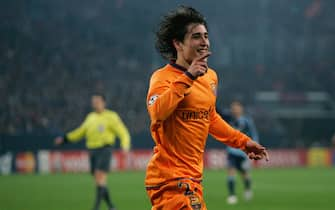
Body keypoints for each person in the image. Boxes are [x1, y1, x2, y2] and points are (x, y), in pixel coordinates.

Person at [145, 6, 269, 210]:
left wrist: (243, 142)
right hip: (171, 180)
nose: (204, 42)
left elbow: (210, 118)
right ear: (178, 44)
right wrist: (188, 77)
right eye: (196, 37)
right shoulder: (162, 78)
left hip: (193, 179)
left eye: (205, 35)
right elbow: (157, 113)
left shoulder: (210, 77)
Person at [54, 93, 131, 210]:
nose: (95, 103)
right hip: (92, 151)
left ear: (104, 102)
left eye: (98, 101)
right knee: (99, 182)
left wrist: (125, 146)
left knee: (100, 177)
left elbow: (123, 132)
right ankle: (111, 206)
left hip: (105, 149)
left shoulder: (111, 116)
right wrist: (65, 139)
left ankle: (96, 207)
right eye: (94, 101)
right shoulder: (90, 117)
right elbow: (79, 132)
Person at [224, 101, 260, 204]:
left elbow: (254, 134)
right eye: (233, 108)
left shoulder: (247, 121)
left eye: (236, 108)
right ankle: (232, 195)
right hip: (231, 152)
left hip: (243, 153)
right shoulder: (229, 120)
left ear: (241, 109)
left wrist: (255, 148)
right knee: (231, 171)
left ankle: (247, 189)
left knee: (245, 174)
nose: (234, 110)